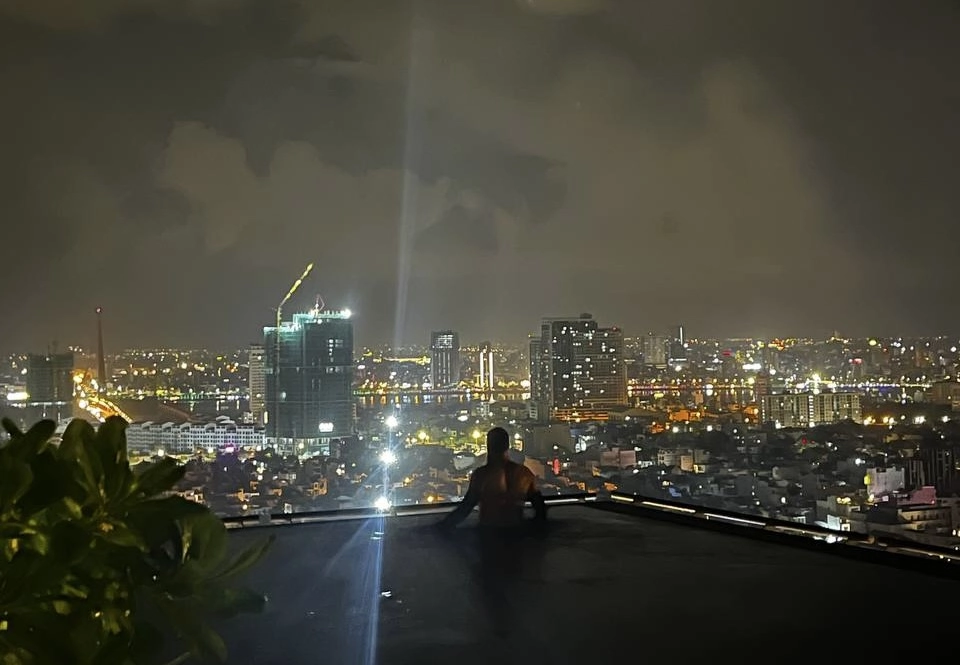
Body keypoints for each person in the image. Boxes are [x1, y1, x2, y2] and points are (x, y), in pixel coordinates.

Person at [439, 426, 546, 530]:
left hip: (488, 536)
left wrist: (439, 528)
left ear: (488, 446)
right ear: (507, 446)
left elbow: (464, 509)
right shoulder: (524, 474)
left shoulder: (481, 475)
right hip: (515, 536)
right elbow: (540, 510)